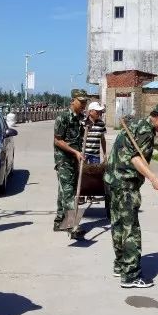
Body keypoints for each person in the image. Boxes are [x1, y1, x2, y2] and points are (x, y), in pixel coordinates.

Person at [103, 103, 158, 288]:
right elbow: (135, 158)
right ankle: (130, 276)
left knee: (118, 225)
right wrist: (153, 178)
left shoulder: (135, 125)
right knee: (130, 229)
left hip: (112, 181)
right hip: (126, 185)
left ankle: (120, 265)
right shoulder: (146, 131)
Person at [52, 89, 88, 232]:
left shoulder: (80, 118)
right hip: (63, 160)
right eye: (81, 101)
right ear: (73, 101)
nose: (84, 104)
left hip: (75, 159)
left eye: (85, 102)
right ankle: (72, 225)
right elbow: (58, 141)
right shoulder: (63, 117)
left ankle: (59, 222)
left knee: (65, 191)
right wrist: (74, 152)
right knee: (68, 192)